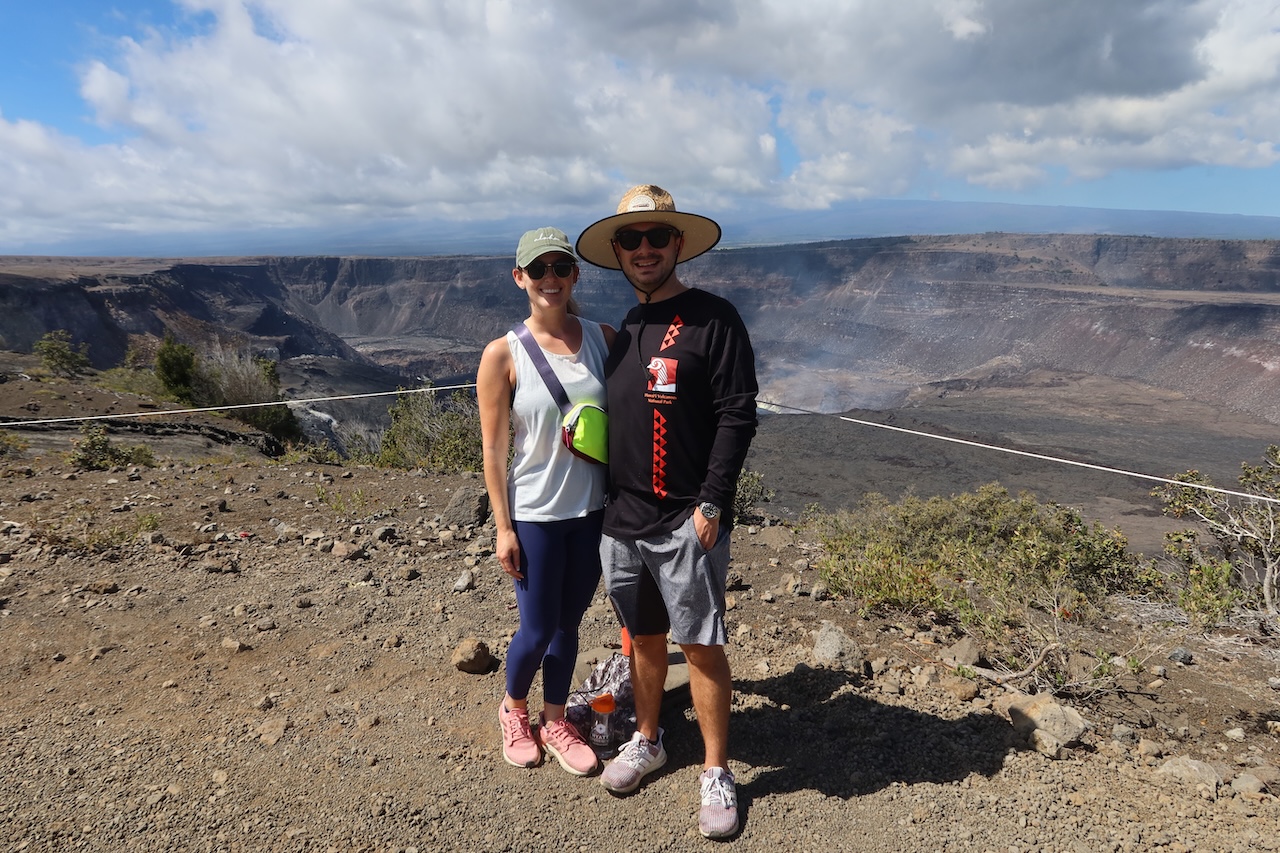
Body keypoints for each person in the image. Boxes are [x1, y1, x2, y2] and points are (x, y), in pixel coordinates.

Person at [575, 186, 758, 838]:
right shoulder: (626, 326)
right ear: (619, 251)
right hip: (622, 520)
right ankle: (649, 737)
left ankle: (716, 767)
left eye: (657, 237)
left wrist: (713, 503)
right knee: (645, 638)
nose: (644, 249)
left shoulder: (715, 319)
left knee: (702, 645)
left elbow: (738, 412)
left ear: (678, 244)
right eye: (632, 239)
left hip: (687, 518)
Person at [477, 226, 615, 776]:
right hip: (535, 513)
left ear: (575, 274)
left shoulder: (602, 338)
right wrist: (502, 527)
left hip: (592, 512)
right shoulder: (503, 354)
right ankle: (514, 709)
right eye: (539, 270)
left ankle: (555, 719)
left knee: (569, 623)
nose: (550, 279)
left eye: (560, 268)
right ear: (520, 278)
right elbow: (492, 450)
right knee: (536, 628)